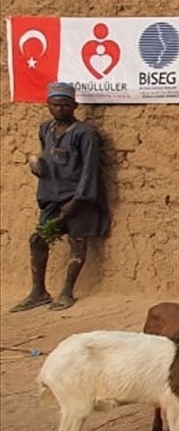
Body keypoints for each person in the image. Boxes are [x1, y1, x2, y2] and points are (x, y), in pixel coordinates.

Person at [11, 82, 109, 313]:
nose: (59, 109)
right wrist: (37, 165)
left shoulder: (85, 134)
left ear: (74, 106)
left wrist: (77, 201)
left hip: (79, 199)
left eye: (64, 105)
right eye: (54, 105)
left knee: (77, 243)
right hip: (51, 197)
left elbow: (89, 170)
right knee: (38, 239)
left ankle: (66, 292)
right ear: (48, 105)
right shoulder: (46, 129)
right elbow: (48, 158)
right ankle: (39, 292)